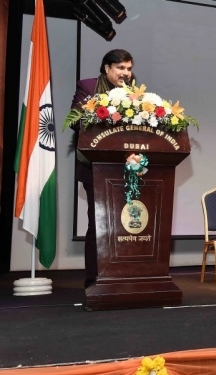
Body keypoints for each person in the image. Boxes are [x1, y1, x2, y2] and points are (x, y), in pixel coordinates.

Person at [70, 49, 134, 288]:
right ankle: (94, 279)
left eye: (129, 68)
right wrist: (104, 113)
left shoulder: (133, 92)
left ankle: (121, 274)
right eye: (120, 68)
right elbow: (75, 121)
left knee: (124, 223)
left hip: (126, 167)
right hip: (95, 166)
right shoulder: (88, 86)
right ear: (107, 68)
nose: (126, 73)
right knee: (98, 223)